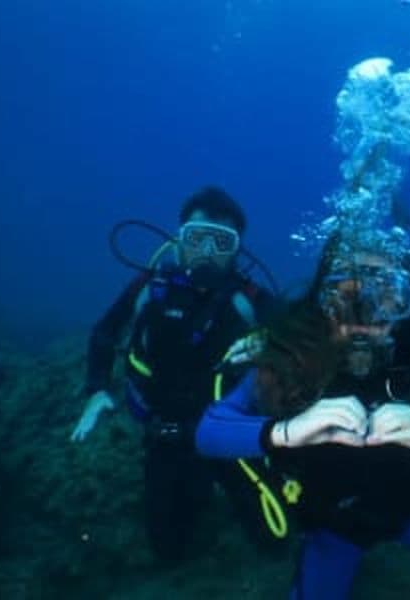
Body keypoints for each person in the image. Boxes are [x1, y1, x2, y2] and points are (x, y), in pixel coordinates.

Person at [196, 232, 410, 598]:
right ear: (324, 302)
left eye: (386, 296)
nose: (364, 316)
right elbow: (209, 431)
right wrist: (288, 431)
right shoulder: (295, 358)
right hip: (335, 524)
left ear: (406, 304)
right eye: (348, 295)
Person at [70, 186, 278, 561]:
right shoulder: (150, 287)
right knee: (168, 548)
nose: (208, 253)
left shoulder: (249, 298)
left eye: (222, 242)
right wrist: (96, 389)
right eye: (198, 239)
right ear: (179, 238)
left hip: (231, 435)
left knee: (274, 540)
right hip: (164, 436)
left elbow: (297, 337)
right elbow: (105, 331)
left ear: (237, 249)